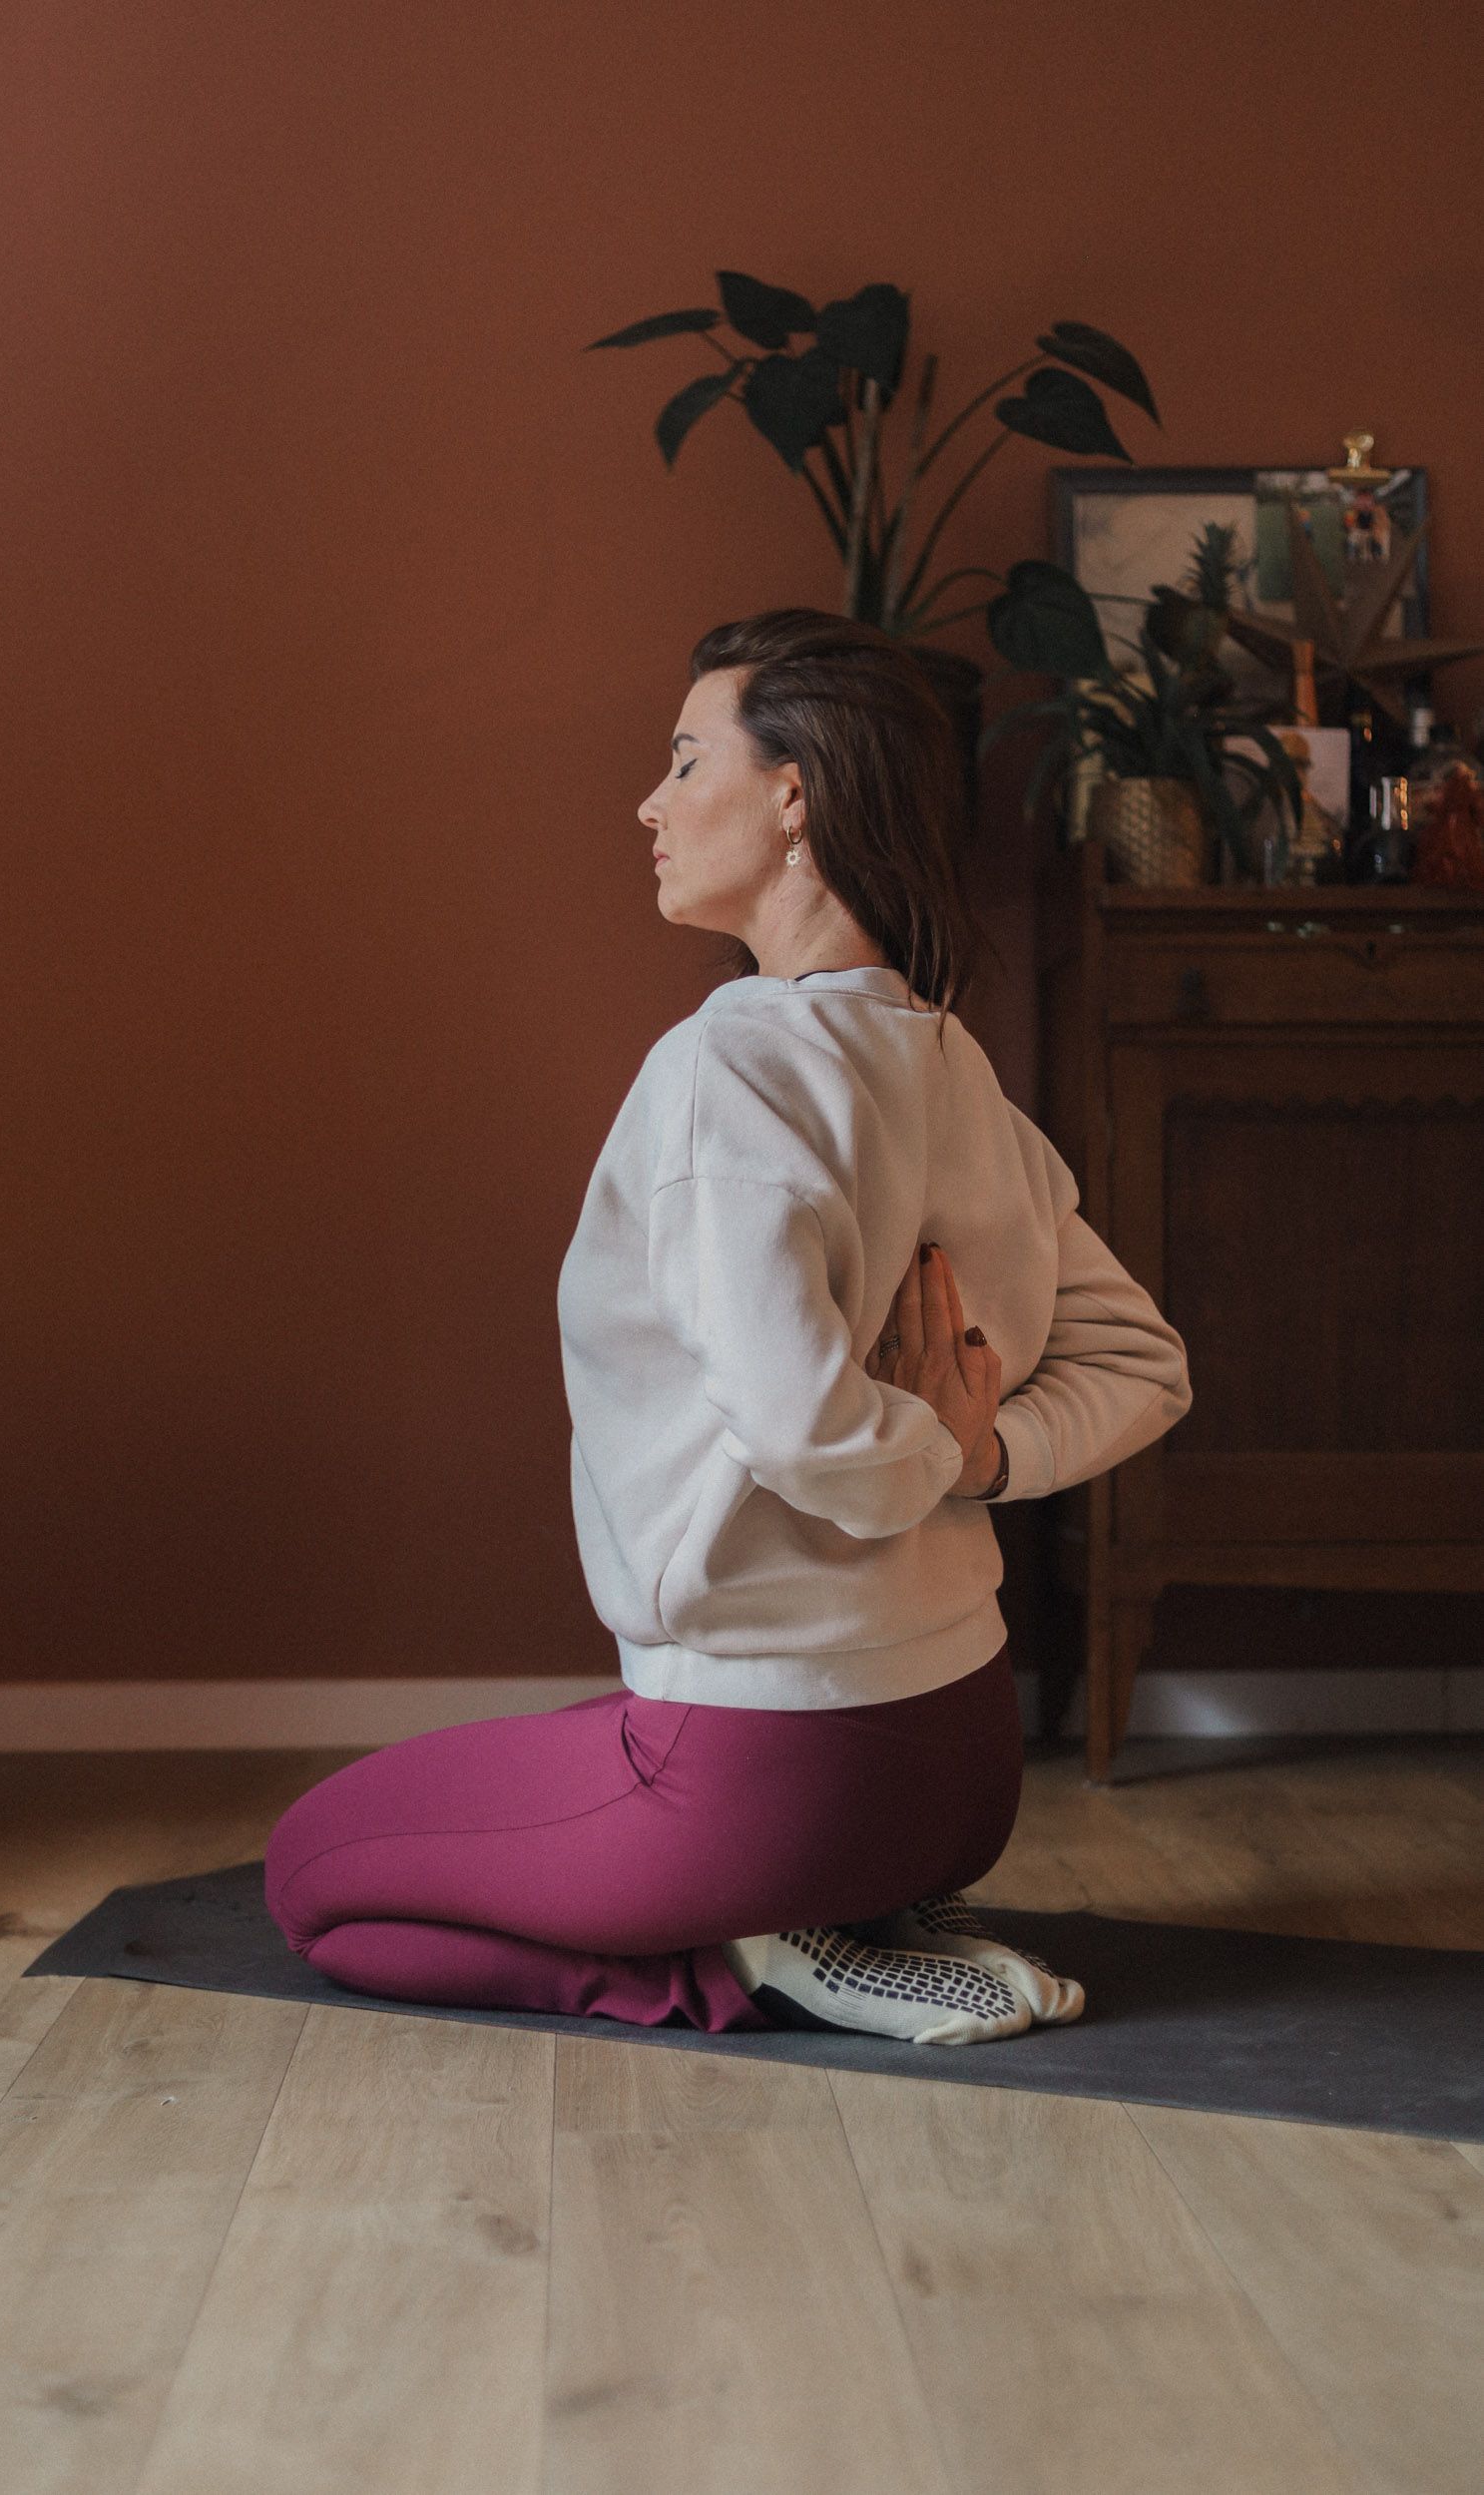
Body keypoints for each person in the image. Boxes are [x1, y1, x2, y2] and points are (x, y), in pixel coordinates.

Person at [264, 609, 1194, 2046]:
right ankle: (866, 1913)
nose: (651, 803)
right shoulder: (954, 1068)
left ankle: (742, 1961)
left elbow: (799, 1426)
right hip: (959, 1762)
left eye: (688, 759)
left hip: (779, 1783)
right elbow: (1146, 1365)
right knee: (555, 1764)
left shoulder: (728, 1066)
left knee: (312, 1875)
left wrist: (933, 1457)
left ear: (794, 793)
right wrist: (980, 1456)